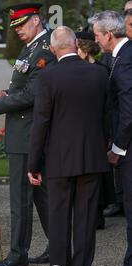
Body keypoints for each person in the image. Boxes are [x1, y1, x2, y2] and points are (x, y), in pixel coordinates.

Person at [28, 26, 110, 266]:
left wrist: (33, 164)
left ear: (52, 49)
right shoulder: (100, 73)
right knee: (86, 224)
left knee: (59, 224)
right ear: (76, 44)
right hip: (92, 160)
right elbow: (107, 117)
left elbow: (41, 123)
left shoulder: (49, 76)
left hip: (59, 162)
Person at [0, 3, 55, 266]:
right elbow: (24, 86)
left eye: (22, 25)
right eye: (15, 27)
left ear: (36, 20)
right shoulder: (33, 47)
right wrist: (4, 93)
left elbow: (34, 94)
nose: (18, 31)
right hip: (26, 133)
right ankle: (59, 246)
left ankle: (17, 255)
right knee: (40, 197)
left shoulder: (45, 48)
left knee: (21, 198)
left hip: (28, 134)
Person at [90, 10, 132, 266]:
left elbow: (129, 110)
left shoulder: (126, 57)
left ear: (108, 34)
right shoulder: (120, 55)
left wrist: (118, 148)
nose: (95, 40)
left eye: (96, 35)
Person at [76, 31, 115, 230]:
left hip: (97, 125)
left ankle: (97, 213)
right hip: (92, 125)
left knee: (97, 172)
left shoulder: (100, 70)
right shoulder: (99, 69)